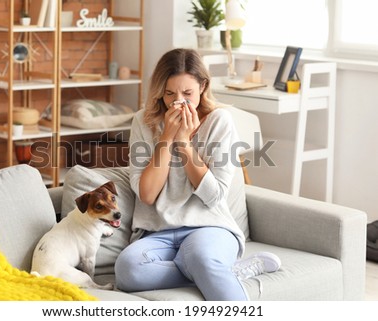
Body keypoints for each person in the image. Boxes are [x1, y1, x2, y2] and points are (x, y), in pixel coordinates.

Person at [114, 48, 279, 300]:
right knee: (128, 269)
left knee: (201, 257)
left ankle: (211, 268)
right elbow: (147, 195)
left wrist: (184, 143)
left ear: (203, 86)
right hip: (156, 232)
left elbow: (214, 197)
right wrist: (167, 138)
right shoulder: (143, 122)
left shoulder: (219, 121)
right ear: (160, 92)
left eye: (187, 93)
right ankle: (222, 272)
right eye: (169, 94)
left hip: (208, 227)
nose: (178, 101)